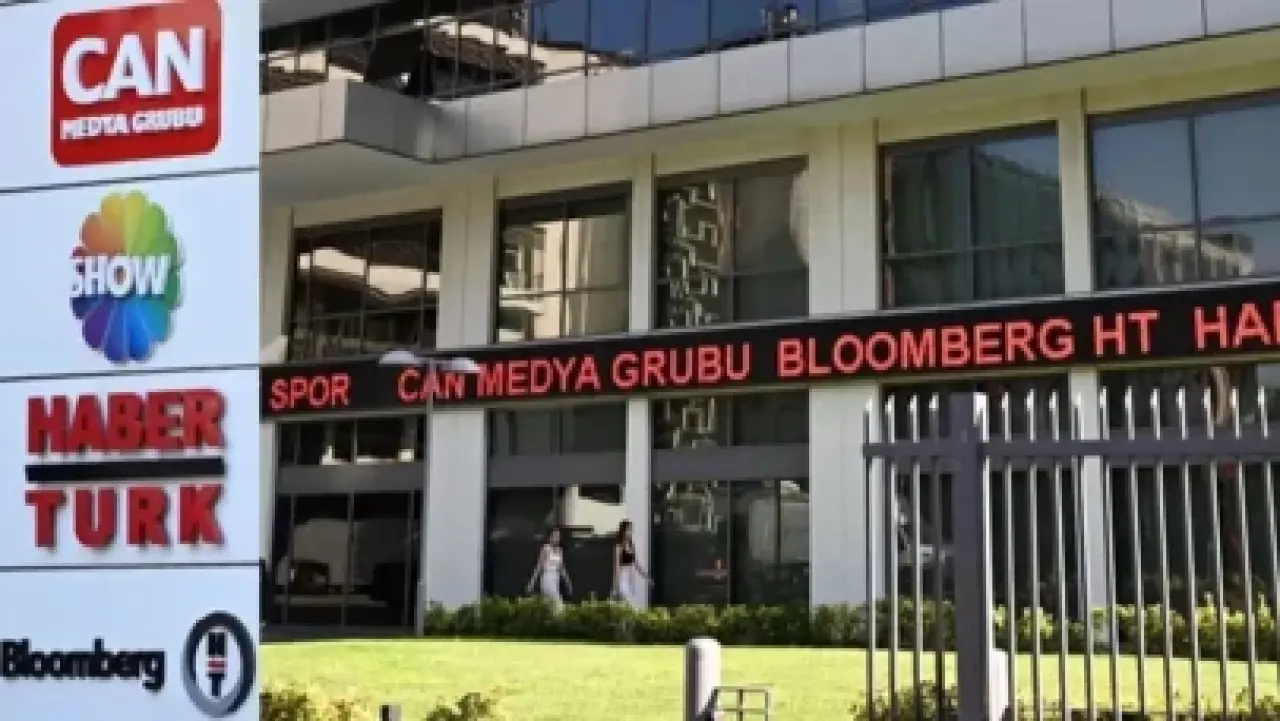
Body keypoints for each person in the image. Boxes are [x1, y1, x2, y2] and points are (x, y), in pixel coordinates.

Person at [526, 527, 572, 610]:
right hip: (547, 577)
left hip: (556, 578)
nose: (556, 538)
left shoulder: (560, 550)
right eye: (555, 536)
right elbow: (539, 566)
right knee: (557, 603)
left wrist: (568, 582)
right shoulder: (546, 549)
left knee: (549, 603)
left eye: (558, 536)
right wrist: (532, 582)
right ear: (550, 537)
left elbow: (562, 568)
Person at [612, 520, 650, 606]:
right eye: (628, 529)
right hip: (623, 577)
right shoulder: (619, 546)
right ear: (623, 531)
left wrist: (646, 576)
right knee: (626, 601)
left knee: (630, 601)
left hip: (631, 577)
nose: (630, 532)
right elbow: (616, 567)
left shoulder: (631, 546)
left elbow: (636, 563)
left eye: (631, 529)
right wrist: (616, 584)